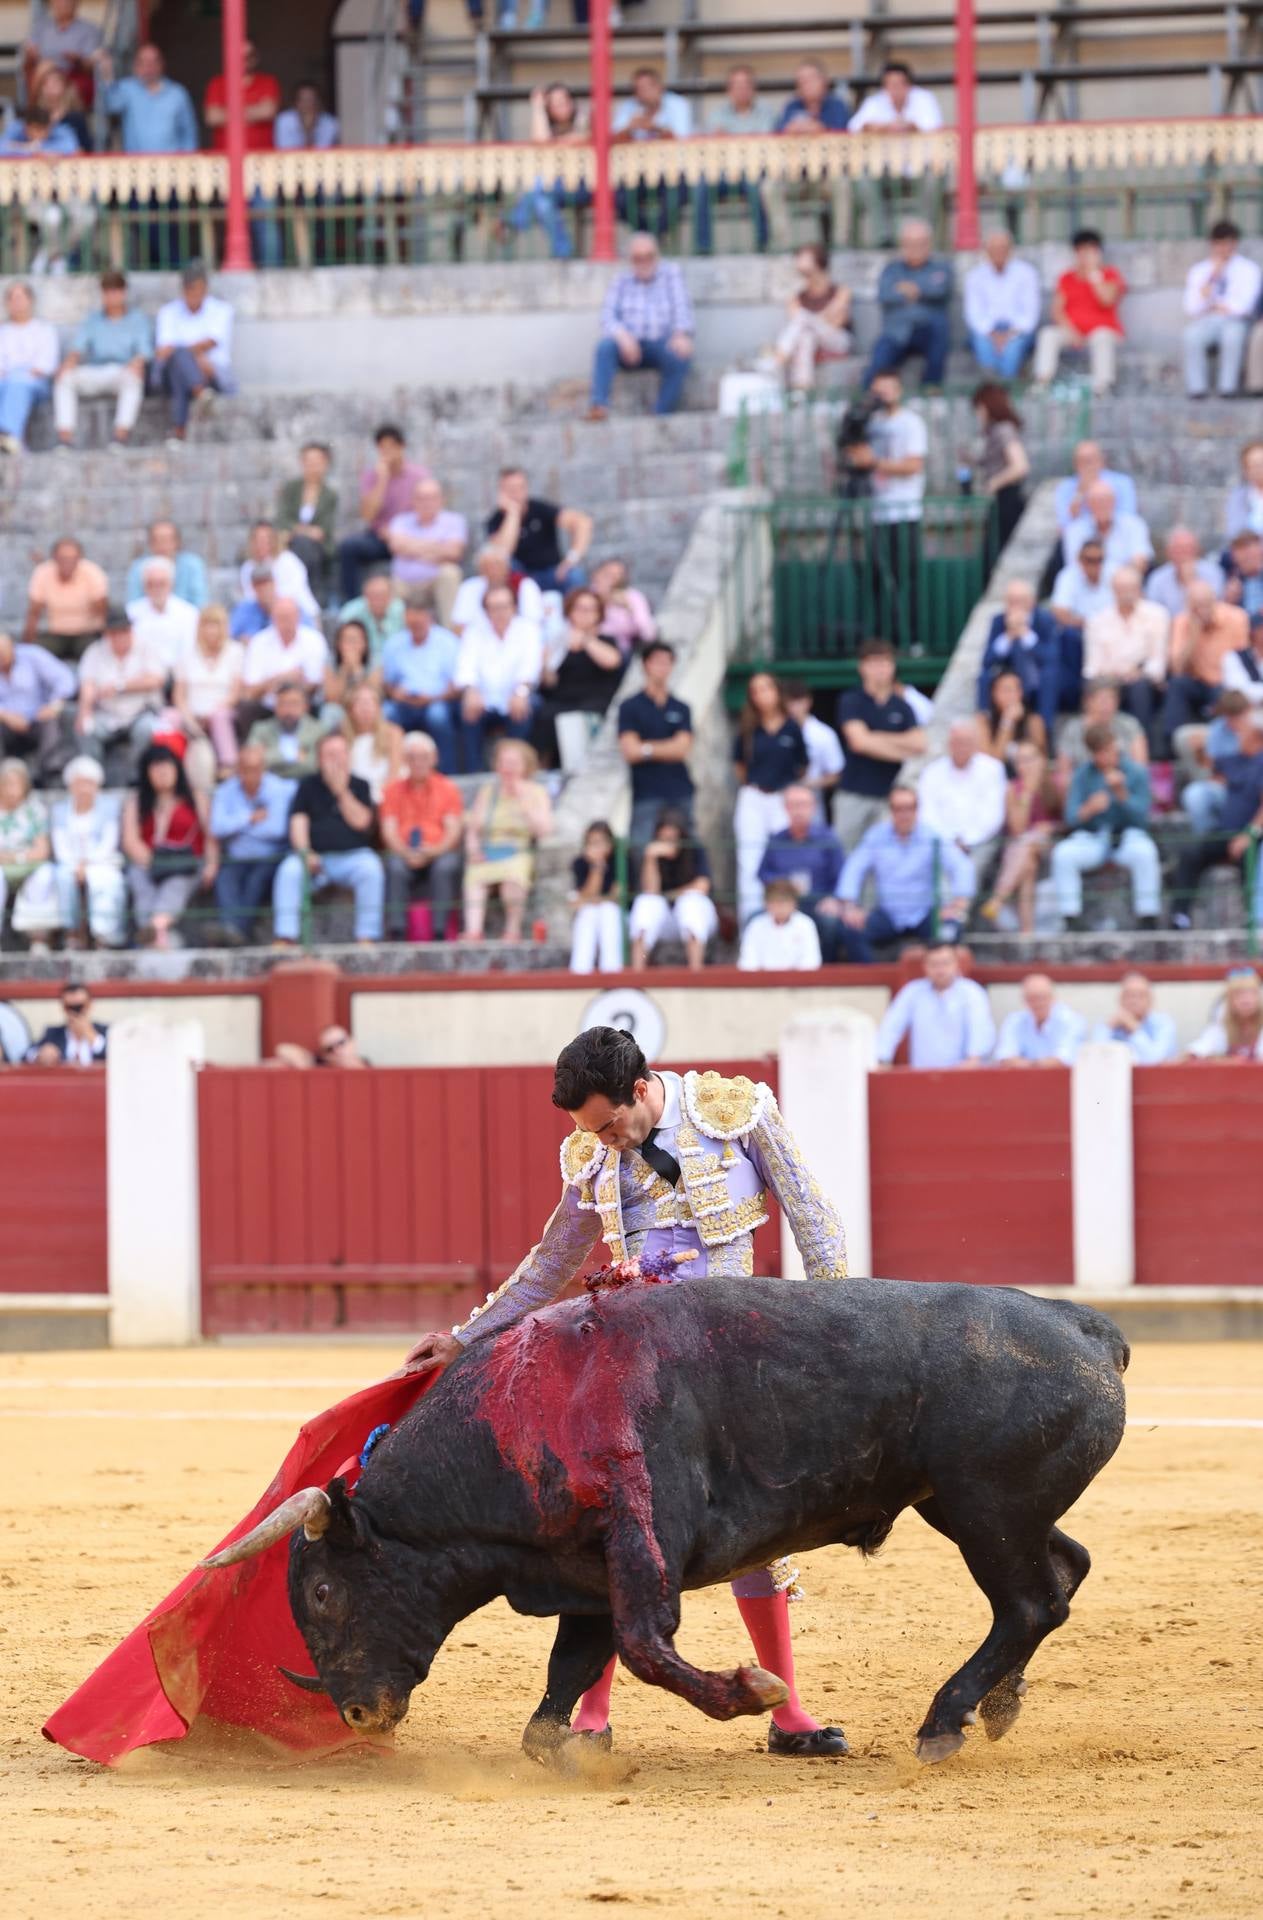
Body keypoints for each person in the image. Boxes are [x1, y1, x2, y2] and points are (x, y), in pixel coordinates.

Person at [403, 1024, 850, 1757]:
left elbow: (813, 1217)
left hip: (726, 1357)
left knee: (754, 1528)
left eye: (610, 1124)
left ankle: (789, 1711)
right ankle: (591, 1714)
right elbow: (552, 1262)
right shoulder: (591, 1153)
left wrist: (835, 1321)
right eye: (591, 1130)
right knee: (609, 1526)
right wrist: (467, 1336)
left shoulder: (734, 1112)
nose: (604, 1141)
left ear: (641, 1090)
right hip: (634, 1365)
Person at [835, 786, 974, 961]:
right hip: (887, 914)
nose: (904, 814)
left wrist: (958, 903)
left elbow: (961, 865)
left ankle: (938, 976)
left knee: (951, 928)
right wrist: (850, 905)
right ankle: (874, 977)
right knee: (850, 929)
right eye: (898, 809)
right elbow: (854, 868)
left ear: (917, 810)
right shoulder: (876, 836)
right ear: (891, 811)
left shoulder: (932, 836)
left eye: (909, 808)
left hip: (925, 913)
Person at [273, 731, 384, 946]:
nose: (336, 760)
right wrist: (305, 852)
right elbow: (298, 822)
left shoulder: (361, 785)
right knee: (289, 870)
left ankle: (367, 936)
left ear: (349, 756)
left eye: (340, 753)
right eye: (330, 755)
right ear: (319, 759)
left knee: (371, 868)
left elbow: (362, 822)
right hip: (315, 858)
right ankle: (286, 936)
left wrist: (341, 791)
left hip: (353, 857)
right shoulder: (307, 786)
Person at [841, 371, 928, 642]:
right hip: (877, 513)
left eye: (888, 388)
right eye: (878, 390)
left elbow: (913, 465)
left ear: (899, 390)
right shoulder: (871, 422)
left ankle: (911, 638)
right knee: (876, 579)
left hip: (904, 512)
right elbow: (851, 455)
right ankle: (880, 639)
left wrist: (874, 463)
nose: (883, 395)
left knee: (906, 578)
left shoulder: (911, 423)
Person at [1053, 723, 1160, 932]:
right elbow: (1071, 818)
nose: (1107, 757)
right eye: (1101, 753)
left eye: (1110, 750)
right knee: (1063, 854)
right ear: (1093, 754)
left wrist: (1122, 796)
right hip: (1093, 837)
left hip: (1127, 837)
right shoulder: (1083, 775)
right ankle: (1070, 918)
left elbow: (1142, 817)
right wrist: (1088, 809)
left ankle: (1148, 916)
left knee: (1146, 852)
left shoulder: (1136, 772)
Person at [1168, 703, 1263, 929]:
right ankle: (1180, 917)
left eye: (1243, 733)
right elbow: (1208, 764)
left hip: (1253, 836)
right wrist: (1200, 748)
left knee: (1250, 860)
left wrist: (1249, 834)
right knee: (1191, 853)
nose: (1238, 736)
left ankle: (1252, 921)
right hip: (1226, 833)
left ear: (1258, 737)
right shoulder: (1236, 759)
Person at [587, 234, 695, 422]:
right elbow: (607, 316)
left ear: (657, 256)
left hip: (661, 344)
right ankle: (599, 406)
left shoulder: (671, 274)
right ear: (630, 260)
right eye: (638, 258)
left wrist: (681, 334)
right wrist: (623, 337)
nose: (644, 262)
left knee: (680, 356)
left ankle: (660, 413)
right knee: (604, 348)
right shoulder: (621, 280)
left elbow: (682, 308)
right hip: (628, 346)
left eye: (649, 256)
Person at [832, 637, 926, 849]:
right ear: (862, 667)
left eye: (884, 663)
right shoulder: (851, 700)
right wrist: (902, 750)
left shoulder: (903, 707)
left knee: (884, 857)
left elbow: (919, 743)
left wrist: (873, 737)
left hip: (888, 797)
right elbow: (858, 742)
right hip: (854, 794)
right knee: (845, 853)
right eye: (873, 663)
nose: (880, 669)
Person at [733, 672, 807, 925]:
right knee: (749, 860)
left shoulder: (792, 727)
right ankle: (750, 922)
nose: (762, 695)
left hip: (782, 799)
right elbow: (740, 766)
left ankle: (785, 919)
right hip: (754, 796)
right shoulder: (748, 728)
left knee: (782, 857)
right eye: (756, 691)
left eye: (767, 688)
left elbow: (801, 765)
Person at [461, 737, 552, 943]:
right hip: (489, 850)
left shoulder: (535, 792)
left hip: (517, 851)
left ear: (525, 766)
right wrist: (473, 850)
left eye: (513, 763)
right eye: (504, 763)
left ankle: (512, 930)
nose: (508, 768)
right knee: (474, 877)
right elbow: (473, 828)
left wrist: (523, 800)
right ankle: (473, 930)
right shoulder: (488, 792)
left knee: (513, 879)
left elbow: (544, 829)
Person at [121, 743, 211, 949]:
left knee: (176, 883)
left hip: (187, 864)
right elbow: (130, 840)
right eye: (155, 767)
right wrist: (155, 863)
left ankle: (153, 928)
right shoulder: (136, 802)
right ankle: (157, 933)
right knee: (141, 882)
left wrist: (211, 864)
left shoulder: (195, 798)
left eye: (166, 766)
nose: (162, 772)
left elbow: (210, 835)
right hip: (148, 862)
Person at [380, 731, 464, 943]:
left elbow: (453, 831)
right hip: (403, 852)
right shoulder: (392, 790)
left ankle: (440, 932)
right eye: (412, 757)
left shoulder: (448, 788)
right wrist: (406, 852)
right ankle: (397, 932)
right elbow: (388, 830)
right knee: (394, 866)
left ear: (434, 758)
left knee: (446, 866)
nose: (418, 763)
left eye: (424, 757)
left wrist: (433, 851)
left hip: (438, 851)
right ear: (405, 760)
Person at [51, 271, 149, 450]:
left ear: (124, 293)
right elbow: (77, 348)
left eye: (116, 291)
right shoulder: (93, 319)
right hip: (95, 370)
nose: (112, 296)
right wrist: (67, 365)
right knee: (64, 378)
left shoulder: (137, 319)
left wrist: (137, 364)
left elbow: (144, 352)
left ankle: (120, 437)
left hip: (122, 371)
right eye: (108, 291)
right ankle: (65, 439)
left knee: (133, 379)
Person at [533, 586, 627, 770]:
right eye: (580, 608)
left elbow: (612, 661)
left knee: (578, 717)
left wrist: (585, 639)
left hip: (594, 700)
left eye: (590, 609)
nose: (585, 614)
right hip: (561, 701)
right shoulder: (559, 642)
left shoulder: (606, 640)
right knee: (545, 717)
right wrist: (545, 665)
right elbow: (549, 682)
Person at [207, 740, 291, 943]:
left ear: (263, 768)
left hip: (270, 856)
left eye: (255, 769)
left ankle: (235, 931)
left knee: (256, 881)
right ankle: (234, 931)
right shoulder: (226, 790)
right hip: (237, 857)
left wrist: (237, 829)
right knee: (224, 879)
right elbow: (217, 827)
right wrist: (249, 818)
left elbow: (276, 829)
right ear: (238, 769)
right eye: (245, 769)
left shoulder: (279, 788)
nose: (250, 774)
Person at [455, 582, 544, 771]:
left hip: (518, 694)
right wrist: (471, 691)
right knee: (467, 710)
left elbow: (531, 668)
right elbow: (466, 667)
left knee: (525, 708)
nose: (500, 612)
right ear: (486, 611)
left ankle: (518, 769)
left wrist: (520, 692)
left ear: (514, 607)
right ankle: (474, 773)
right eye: (494, 608)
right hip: (483, 698)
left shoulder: (528, 629)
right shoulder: (474, 631)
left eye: (504, 606)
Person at [338, 425, 431, 603]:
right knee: (348, 548)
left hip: (410, 537)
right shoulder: (371, 476)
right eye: (382, 448)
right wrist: (382, 480)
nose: (387, 453)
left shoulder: (419, 476)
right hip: (379, 538)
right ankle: (352, 604)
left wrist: (398, 533)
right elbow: (367, 516)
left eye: (391, 447)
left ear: (402, 447)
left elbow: (426, 511)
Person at [1082, 565, 1169, 753]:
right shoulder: (1097, 620)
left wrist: (1139, 673)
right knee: (1097, 691)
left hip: (1144, 680)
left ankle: (1144, 748)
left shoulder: (1157, 614)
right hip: (1109, 679)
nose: (1126, 593)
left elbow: (1158, 662)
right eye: (1121, 588)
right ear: (1113, 590)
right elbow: (1092, 667)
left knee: (1140, 688)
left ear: (1140, 589)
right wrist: (1113, 675)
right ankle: (1095, 747)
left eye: (1131, 588)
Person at [978, 738, 1061, 934]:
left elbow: (1068, 820)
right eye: (1021, 761)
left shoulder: (1055, 783)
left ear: (1041, 759)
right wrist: (1027, 795)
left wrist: (1050, 827)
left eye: (1030, 759)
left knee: (1028, 844)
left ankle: (998, 899)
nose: (1026, 765)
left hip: (1048, 846)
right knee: (1028, 864)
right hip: (1021, 849)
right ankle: (1027, 931)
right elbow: (1017, 829)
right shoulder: (1012, 789)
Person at [618, 640, 695, 851]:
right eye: (657, 662)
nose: (662, 668)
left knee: (688, 849)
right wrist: (668, 747)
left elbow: (682, 749)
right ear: (646, 665)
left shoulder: (681, 707)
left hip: (680, 789)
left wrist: (645, 748)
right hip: (646, 791)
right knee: (640, 849)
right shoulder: (630, 706)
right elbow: (630, 751)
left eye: (667, 662)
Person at [75, 607, 165, 783]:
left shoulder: (146, 647)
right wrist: (84, 712)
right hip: (107, 714)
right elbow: (87, 685)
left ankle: (140, 778)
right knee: (86, 728)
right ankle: (94, 780)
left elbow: (157, 679)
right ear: (107, 634)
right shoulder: (95, 651)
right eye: (114, 632)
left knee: (147, 728)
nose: (119, 636)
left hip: (141, 712)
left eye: (123, 631)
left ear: (130, 630)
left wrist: (120, 686)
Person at [917, 718, 1008, 891]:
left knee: (967, 872)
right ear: (949, 743)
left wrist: (967, 840)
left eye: (966, 742)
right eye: (957, 742)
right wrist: (952, 841)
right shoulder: (931, 772)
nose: (961, 747)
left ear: (975, 744)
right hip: (942, 843)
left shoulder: (992, 769)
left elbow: (993, 816)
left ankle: (958, 907)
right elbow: (927, 815)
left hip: (981, 842)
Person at [755, 783, 846, 955]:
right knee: (754, 920)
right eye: (793, 805)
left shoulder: (828, 838)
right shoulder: (776, 840)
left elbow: (842, 876)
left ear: (813, 807)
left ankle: (825, 967)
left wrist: (833, 899)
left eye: (803, 805)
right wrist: (783, 885)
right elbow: (763, 873)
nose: (798, 811)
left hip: (819, 904)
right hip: (783, 904)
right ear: (785, 808)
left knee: (830, 923)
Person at [695, 65, 776, 255]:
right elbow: (713, 146)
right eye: (736, 85)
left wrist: (731, 138)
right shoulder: (717, 114)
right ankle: (703, 247)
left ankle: (762, 244)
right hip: (723, 172)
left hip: (754, 170)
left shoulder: (766, 112)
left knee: (758, 186)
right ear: (728, 90)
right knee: (700, 186)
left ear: (753, 88)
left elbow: (764, 143)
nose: (741, 90)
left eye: (746, 85)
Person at [1033, 228, 1126, 394]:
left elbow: (1107, 300)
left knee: (1102, 337)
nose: (1085, 255)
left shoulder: (1110, 274)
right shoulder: (1066, 277)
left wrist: (1094, 274)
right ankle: (1042, 382)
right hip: (1072, 331)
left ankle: (1103, 388)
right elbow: (1057, 311)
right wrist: (1072, 331)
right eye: (1081, 250)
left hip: (1102, 331)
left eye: (1090, 250)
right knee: (1048, 334)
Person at [152, 262, 235, 446]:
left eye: (198, 288)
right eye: (190, 289)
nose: (195, 294)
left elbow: (211, 342)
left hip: (212, 375)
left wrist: (184, 354)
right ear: (183, 289)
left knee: (180, 365)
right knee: (179, 365)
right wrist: (192, 355)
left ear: (205, 288)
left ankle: (178, 431)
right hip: (182, 375)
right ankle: (202, 394)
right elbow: (163, 352)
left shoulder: (221, 310)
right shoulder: (168, 312)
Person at [875, 943, 996, 1068]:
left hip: (963, 1071)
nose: (940, 970)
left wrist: (974, 1058)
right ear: (925, 966)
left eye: (945, 963)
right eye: (934, 964)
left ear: (956, 964)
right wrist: (882, 1059)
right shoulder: (912, 992)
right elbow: (892, 1026)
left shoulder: (972, 992)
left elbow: (980, 1029)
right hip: (922, 1073)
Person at [380, 589, 461, 772]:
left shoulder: (448, 642)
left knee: (438, 716)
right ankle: (392, 772)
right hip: (404, 703)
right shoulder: (394, 643)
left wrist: (433, 697)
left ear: (430, 618)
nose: (415, 624)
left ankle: (448, 773)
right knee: (386, 713)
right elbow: (388, 683)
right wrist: (395, 693)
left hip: (438, 700)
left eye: (420, 619)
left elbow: (457, 686)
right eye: (411, 619)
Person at [628, 808, 718, 971]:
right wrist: (650, 857)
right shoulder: (653, 853)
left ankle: (696, 973)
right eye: (664, 837)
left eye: (672, 837)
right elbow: (651, 891)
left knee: (690, 903)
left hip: (696, 917)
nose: (668, 842)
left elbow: (702, 886)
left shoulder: (694, 849)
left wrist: (671, 895)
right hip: (666, 919)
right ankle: (637, 974)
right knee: (645, 903)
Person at [865, 220, 951, 387]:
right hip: (897, 331)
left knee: (939, 330)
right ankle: (867, 396)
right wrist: (922, 291)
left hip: (928, 330)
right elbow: (885, 295)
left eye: (920, 243)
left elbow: (940, 290)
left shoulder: (941, 267)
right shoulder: (891, 270)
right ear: (903, 245)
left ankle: (931, 391)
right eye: (910, 243)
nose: (915, 248)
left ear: (929, 244)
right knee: (881, 355)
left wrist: (909, 289)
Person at [1182, 221, 1263, 399]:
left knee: (1232, 336)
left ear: (1235, 244)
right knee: (1191, 336)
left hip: (1237, 321)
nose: (1223, 249)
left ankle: (1228, 387)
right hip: (1207, 320)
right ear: (1212, 244)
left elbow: (1247, 305)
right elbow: (1191, 307)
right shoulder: (1200, 270)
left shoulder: (1248, 269)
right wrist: (1212, 278)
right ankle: (1197, 388)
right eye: (1219, 244)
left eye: (1228, 243)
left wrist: (1222, 306)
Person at [1163, 581, 1249, 744]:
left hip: (1227, 682)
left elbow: (1245, 660)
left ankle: (1223, 742)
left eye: (1206, 605)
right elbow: (1176, 669)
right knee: (1177, 684)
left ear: (1215, 601)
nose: (1202, 611)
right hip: (1198, 681)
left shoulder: (1237, 618)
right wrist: (1192, 638)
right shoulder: (1182, 621)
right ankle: (1173, 744)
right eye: (1196, 607)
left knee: (1224, 692)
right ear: (1188, 606)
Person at [511, 82, 588, 261]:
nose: (561, 106)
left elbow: (580, 138)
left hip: (584, 185)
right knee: (542, 202)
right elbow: (540, 140)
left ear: (572, 102)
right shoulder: (548, 126)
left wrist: (555, 142)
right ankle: (563, 251)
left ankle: (512, 222)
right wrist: (538, 107)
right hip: (555, 188)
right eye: (554, 103)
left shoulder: (583, 119)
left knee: (538, 186)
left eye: (564, 101)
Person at [485, 466, 592, 594]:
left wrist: (571, 559)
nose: (516, 493)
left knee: (575, 576)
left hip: (551, 573)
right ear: (501, 491)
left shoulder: (540, 509)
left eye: (520, 487)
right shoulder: (495, 520)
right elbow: (503, 552)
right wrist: (513, 514)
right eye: (510, 489)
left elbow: (582, 522)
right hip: (518, 578)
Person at [976, 579, 1061, 737]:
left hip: (1036, 677)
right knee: (983, 677)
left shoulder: (1045, 620)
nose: (1015, 606)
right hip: (1007, 675)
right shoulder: (998, 621)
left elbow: (1050, 657)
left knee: (1050, 676)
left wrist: (1025, 634)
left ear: (1031, 602)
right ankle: (984, 727)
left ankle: (1045, 732)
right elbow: (987, 660)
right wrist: (1008, 636)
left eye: (1019, 601)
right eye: (1011, 601)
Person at [384, 477, 467, 623]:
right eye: (421, 498)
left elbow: (454, 553)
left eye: (431, 498)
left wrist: (411, 548)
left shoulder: (454, 520)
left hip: (434, 582)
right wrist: (437, 548)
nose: (426, 503)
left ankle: (450, 629)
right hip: (404, 583)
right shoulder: (400, 520)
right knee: (384, 587)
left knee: (450, 573)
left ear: (441, 500)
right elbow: (396, 546)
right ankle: (394, 634)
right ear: (413, 500)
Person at [772, 244, 852, 393]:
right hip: (810, 338)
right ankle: (802, 390)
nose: (800, 262)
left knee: (803, 319)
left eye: (805, 258)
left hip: (838, 339)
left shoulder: (841, 291)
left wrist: (814, 320)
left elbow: (838, 322)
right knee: (806, 337)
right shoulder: (797, 297)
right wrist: (822, 318)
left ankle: (777, 360)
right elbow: (796, 325)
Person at [963, 230, 1041, 380]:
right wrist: (993, 335)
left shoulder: (1027, 273)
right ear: (986, 250)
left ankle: (1004, 389)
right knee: (983, 346)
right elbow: (974, 315)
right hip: (986, 330)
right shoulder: (975, 276)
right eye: (994, 248)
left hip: (1017, 330)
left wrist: (1009, 335)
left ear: (1011, 250)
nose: (998, 252)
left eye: (1003, 248)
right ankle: (994, 387)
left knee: (1012, 349)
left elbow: (1030, 315)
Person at [0, 629, 75, 780]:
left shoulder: (32, 655)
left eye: (3, 653)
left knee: (52, 721)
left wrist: (55, 704)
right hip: (5, 722)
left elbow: (66, 678)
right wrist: (5, 715)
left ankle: (50, 773)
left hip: (38, 717)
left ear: (12, 647)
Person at [0, 758, 58, 949]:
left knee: (44, 874)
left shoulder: (35, 810)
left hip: (28, 864)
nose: (11, 789)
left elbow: (42, 850)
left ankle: (37, 937)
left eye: (16, 783)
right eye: (7, 783)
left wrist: (15, 858)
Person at [240, 597, 328, 723]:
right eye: (281, 617)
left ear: (298, 616)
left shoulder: (314, 640)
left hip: (304, 707)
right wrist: (280, 679)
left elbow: (316, 682)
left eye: (289, 616)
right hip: (267, 708)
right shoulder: (259, 642)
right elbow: (250, 690)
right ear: (273, 618)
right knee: (245, 708)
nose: (286, 622)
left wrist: (291, 694)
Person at [100, 42, 197, 153]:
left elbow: (188, 132)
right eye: (143, 62)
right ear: (135, 66)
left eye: (153, 62)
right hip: (136, 161)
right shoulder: (127, 89)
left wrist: (188, 159)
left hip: (171, 161)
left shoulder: (177, 93)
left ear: (162, 64)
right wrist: (107, 75)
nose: (149, 67)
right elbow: (112, 106)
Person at [23, 536, 108, 661]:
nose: (68, 563)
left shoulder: (93, 573)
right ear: (54, 558)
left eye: (72, 558)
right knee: (36, 653)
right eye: (63, 558)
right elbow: (33, 613)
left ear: (80, 558)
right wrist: (26, 648)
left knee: (97, 653)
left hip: (87, 634)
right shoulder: (42, 573)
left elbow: (103, 612)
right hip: (56, 634)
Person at [275, 442, 339, 605]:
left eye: (317, 462)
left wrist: (298, 531)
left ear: (325, 464)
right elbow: (283, 519)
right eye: (309, 462)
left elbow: (323, 530)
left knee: (305, 545)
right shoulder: (291, 489)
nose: (313, 467)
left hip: (319, 547)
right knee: (301, 544)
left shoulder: (329, 494)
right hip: (291, 542)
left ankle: (310, 599)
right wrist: (304, 531)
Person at [0, 281, 58, 455]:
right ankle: (12, 441)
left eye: (20, 297)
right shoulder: (3, 331)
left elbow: (46, 365)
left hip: (36, 385)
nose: (16, 303)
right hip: (5, 383)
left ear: (30, 300)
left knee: (18, 382)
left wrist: (18, 374)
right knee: (13, 383)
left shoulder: (44, 330)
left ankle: (8, 435)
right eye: (12, 299)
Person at [974, 382, 1030, 557]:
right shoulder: (995, 431)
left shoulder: (1003, 429)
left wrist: (993, 483)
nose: (977, 414)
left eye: (979, 408)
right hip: (1001, 502)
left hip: (1007, 501)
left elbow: (1020, 466)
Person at [449, 547, 545, 640]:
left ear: (507, 567)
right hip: (478, 643)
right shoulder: (469, 587)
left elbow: (535, 623)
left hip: (519, 642)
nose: (493, 571)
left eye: (497, 565)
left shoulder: (525, 585)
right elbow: (459, 627)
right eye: (487, 567)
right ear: (480, 569)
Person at [203, 36, 278, 152]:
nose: (244, 60)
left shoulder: (268, 82)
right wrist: (254, 112)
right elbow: (213, 117)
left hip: (262, 156)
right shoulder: (216, 83)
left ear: (256, 58)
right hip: (225, 155)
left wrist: (227, 114)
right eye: (239, 56)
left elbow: (267, 112)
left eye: (249, 56)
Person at [568, 819, 623, 974]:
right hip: (591, 913)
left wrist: (592, 900)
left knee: (608, 911)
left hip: (618, 915)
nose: (595, 848)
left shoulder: (621, 860)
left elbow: (616, 897)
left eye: (599, 842)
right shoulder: (580, 863)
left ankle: (612, 973)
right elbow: (581, 899)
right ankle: (580, 973)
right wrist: (597, 867)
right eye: (591, 843)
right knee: (588, 913)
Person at [994, 973, 1086, 1066]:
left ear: (1053, 997)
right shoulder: (1015, 1021)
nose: (1038, 1003)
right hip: (1022, 1075)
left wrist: (1026, 1065)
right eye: (1032, 999)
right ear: (1024, 1000)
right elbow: (1005, 1057)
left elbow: (1064, 1060)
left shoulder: (1071, 1020)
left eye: (1042, 997)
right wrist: (1036, 1066)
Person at [126, 556, 199, 672]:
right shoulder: (131, 613)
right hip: (143, 676)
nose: (156, 589)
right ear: (144, 586)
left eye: (161, 583)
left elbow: (190, 651)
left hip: (179, 674)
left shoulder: (189, 613)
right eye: (151, 584)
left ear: (171, 584)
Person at [1063, 481, 1153, 574]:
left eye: (1105, 500)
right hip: (1086, 580)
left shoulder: (1134, 524)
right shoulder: (1075, 530)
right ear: (1087, 504)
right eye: (1096, 501)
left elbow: (1141, 561)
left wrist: (1118, 577)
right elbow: (1074, 566)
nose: (1101, 505)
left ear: (1114, 501)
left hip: (1125, 580)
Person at [782, 683, 844, 816]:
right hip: (778, 803)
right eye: (788, 702)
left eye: (797, 701)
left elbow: (837, 774)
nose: (792, 708)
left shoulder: (824, 734)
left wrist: (809, 783)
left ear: (808, 701)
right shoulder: (774, 732)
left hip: (811, 805)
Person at [1090, 971, 1178, 1064]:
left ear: (1150, 1000)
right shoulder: (1108, 1024)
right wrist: (1108, 1027)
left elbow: (1155, 1061)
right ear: (1120, 999)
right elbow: (1093, 1059)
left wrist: (1135, 1030)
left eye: (1140, 996)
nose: (1134, 1001)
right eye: (1129, 995)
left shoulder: (1164, 1024)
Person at [739, 877, 823, 972]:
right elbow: (748, 962)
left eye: (784, 902)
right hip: (762, 979)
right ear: (766, 904)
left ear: (794, 903)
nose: (780, 907)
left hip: (798, 979)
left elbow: (811, 961)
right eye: (775, 902)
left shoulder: (806, 924)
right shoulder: (756, 925)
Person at [1144, 526, 1225, 621]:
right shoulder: (1157, 579)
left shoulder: (1213, 573)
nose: (1184, 554)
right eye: (1179, 549)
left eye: (1189, 548)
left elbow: (1216, 609)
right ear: (1169, 552)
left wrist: (1190, 581)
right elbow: (1153, 614)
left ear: (1197, 550)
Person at [247, 680, 324, 781]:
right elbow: (251, 762)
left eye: (294, 703)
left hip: (306, 784)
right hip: (270, 784)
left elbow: (314, 766)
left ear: (305, 706)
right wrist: (292, 754)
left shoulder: (318, 730)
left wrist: (269, 755)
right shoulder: (261, 729)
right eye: (283, 703)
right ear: (275, 707)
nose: (288, 710)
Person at [1054, 440, 1139, 530]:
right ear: (1075, 464)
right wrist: (1080, 494)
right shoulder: (1065, 488)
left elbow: (1129, 518)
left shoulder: (1122, 483)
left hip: (1117, 534)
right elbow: (1064, 525)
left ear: (1101, 460)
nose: (1087, 466)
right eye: (1082, 461)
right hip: (1081, 536)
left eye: (1090, 460)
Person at [977, 664, 1048, 770]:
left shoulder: (1034, 721)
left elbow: (1040, 764)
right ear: (993, 693)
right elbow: (992, 765)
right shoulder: (983, 721)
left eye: (1017, 689)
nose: (1012, 696)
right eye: (1006, 690)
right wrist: (1007, 722)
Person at [126, 521, 208, 611]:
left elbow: (200, 602)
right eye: (157, 540)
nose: (162, 545)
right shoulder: (138, 568)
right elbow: (133, 602)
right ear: (150, 543)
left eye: (167, 540)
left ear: (177, 542)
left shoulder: (192, 565)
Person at [1186, 966, 1263, 1060]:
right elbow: (1198, 1050)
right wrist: (1224, 1060)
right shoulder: (1220, 1026)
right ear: (1229, 1000)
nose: (1246, 1000)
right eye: (1239, 994)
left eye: (1252, 993)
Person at [848, 59, 941, 136]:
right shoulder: (874, 102)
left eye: (898, 84)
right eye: (890, 85)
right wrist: (882, 127)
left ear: (908, 85)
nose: (894, 90)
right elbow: (853, 127)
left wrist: (910, 127)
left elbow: (934, 125)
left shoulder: (924, 98)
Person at [343, 685, 402, 803]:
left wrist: (382, 796)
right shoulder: (341, 737)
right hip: (355, 798)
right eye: (360, 703)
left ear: (378, 708)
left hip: (385, 795)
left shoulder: (392, 733)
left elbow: (395, 773)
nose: (365, 708)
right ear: (350, 710)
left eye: (370, 703)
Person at [25, 982, 109, 1065]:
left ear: (90, 1005)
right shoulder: (54, 1034)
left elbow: (113, 1055)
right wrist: (39, 1055)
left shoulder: (106, 1032)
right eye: (70, 1007)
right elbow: (28, 1054)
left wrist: (93, 1038)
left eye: (79, 1007)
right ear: (63, 1007)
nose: (74, 1012)